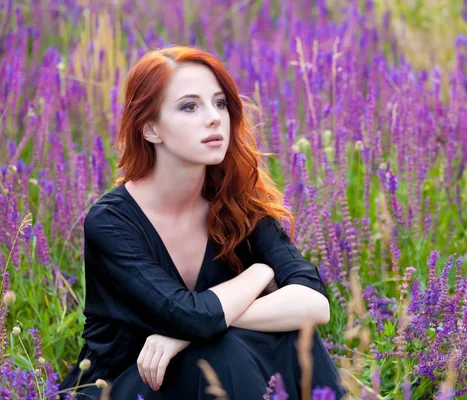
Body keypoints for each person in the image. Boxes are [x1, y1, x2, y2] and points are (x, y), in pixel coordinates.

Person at [58, 45, 346, 399]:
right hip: (123, 385)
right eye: (189, 106)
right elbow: (191, 316)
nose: (213, 118)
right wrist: (262, 273)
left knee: (283, 333)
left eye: (220, 103)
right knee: (222, 347)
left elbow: (315, 304)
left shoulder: (237, 202)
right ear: (151, 129)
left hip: (216, 374)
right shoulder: (111, 223)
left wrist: (186, 332)